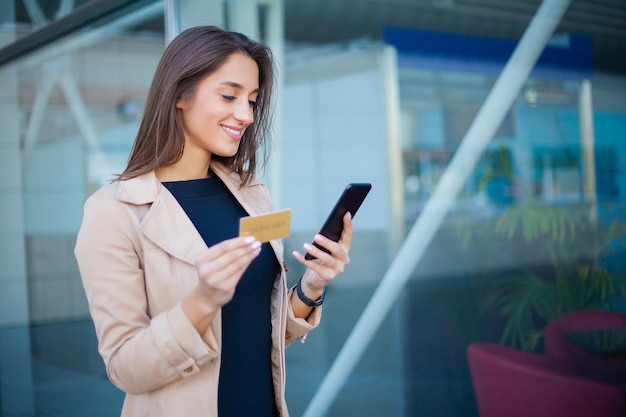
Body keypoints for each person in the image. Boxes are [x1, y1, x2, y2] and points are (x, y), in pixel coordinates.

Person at [74, 26, 353, 417]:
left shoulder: (250, 192)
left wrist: (311, 286)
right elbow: (125, 369)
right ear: (179, 96)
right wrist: (201, 302)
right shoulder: (112, 213)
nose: (246, 115)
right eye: (229, 95)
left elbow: (259, 332)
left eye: (253, 100)